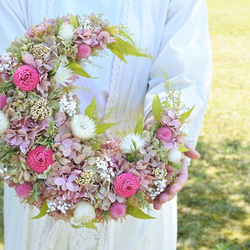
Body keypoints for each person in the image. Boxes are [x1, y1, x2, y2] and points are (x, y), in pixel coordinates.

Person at [0, 0, 212, 249]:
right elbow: (8, 65)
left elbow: (183, 68)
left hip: (134, 167)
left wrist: (165, 133)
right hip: (35, 161)